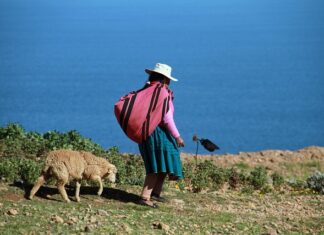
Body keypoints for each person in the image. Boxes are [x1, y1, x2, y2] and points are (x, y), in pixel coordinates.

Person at [138, 63, 185, 208]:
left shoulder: (147, 90)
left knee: (161, 161)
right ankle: (145, 197)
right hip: (157, 134)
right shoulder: (162, 93)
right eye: (168, 79)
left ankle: (155, 193)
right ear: (165, 79)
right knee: (157, 164)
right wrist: (177, 136)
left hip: (147, 133)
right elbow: (166, 118)